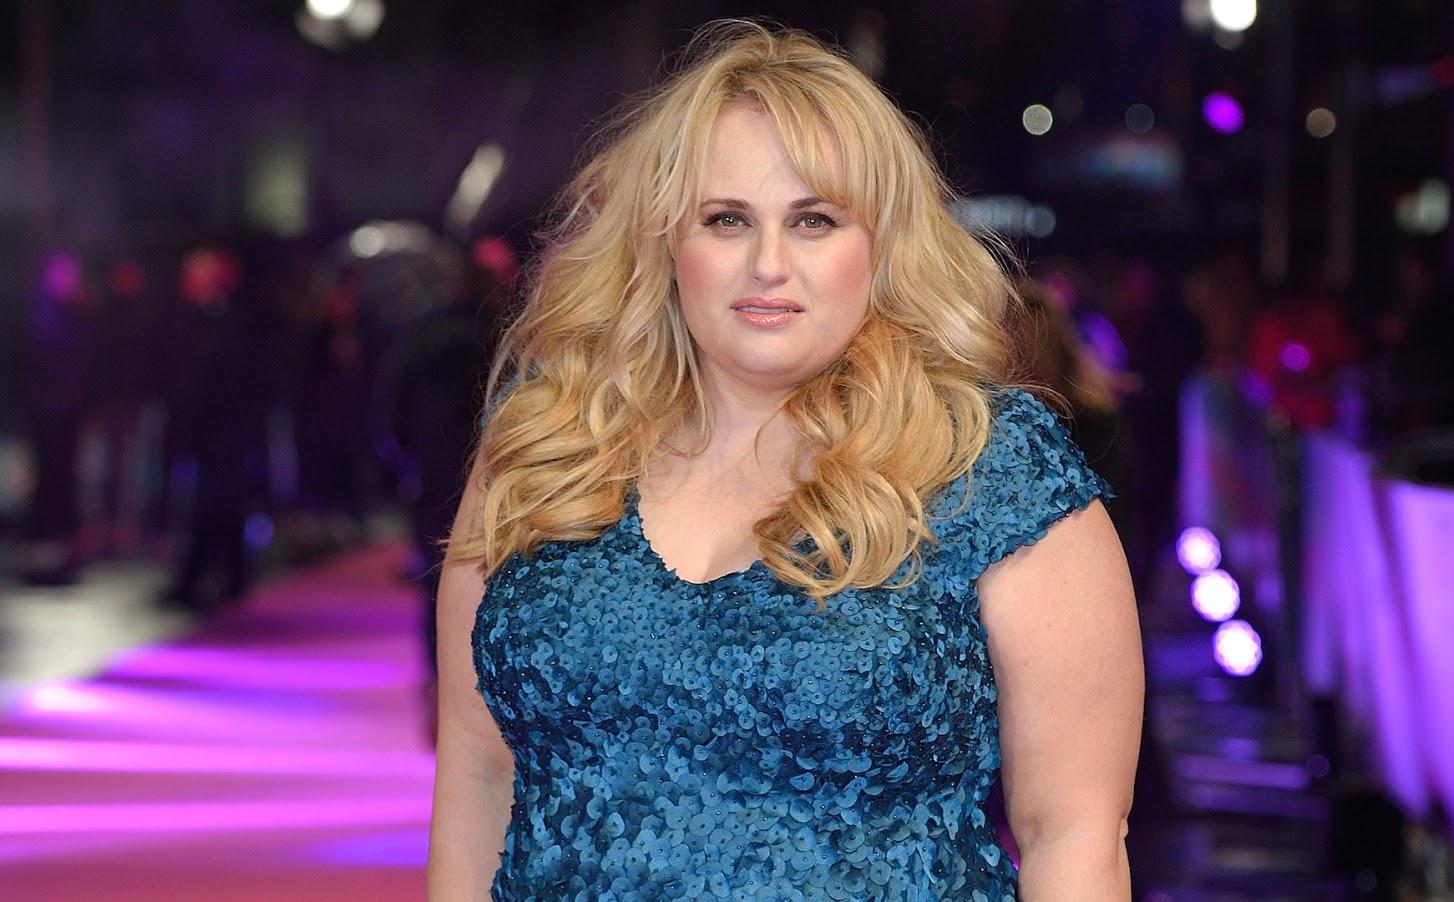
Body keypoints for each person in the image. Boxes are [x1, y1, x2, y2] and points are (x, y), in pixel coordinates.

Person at [427, 21, 1143, 901]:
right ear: (665, 241)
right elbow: (477, 776)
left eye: (814, 221)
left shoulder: (989, 469)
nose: (768, 264)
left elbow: (1073, 834)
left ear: (881, 245)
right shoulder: (546, 446)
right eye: (727, 220)